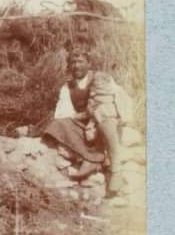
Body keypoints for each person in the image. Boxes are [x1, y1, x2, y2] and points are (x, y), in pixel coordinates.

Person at [43, 49, 132, 198]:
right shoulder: (67, 87)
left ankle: (115, 169)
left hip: (106, 123)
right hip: (83, 124)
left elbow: (121, 98)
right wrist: (85, 115)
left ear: (89, 64)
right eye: (73, 62)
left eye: (80, 62)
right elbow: (63, 114)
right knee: (57, 124)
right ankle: (92, 159)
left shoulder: (101, 78)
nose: (76, 66)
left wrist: (105, 115)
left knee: (102, 110)